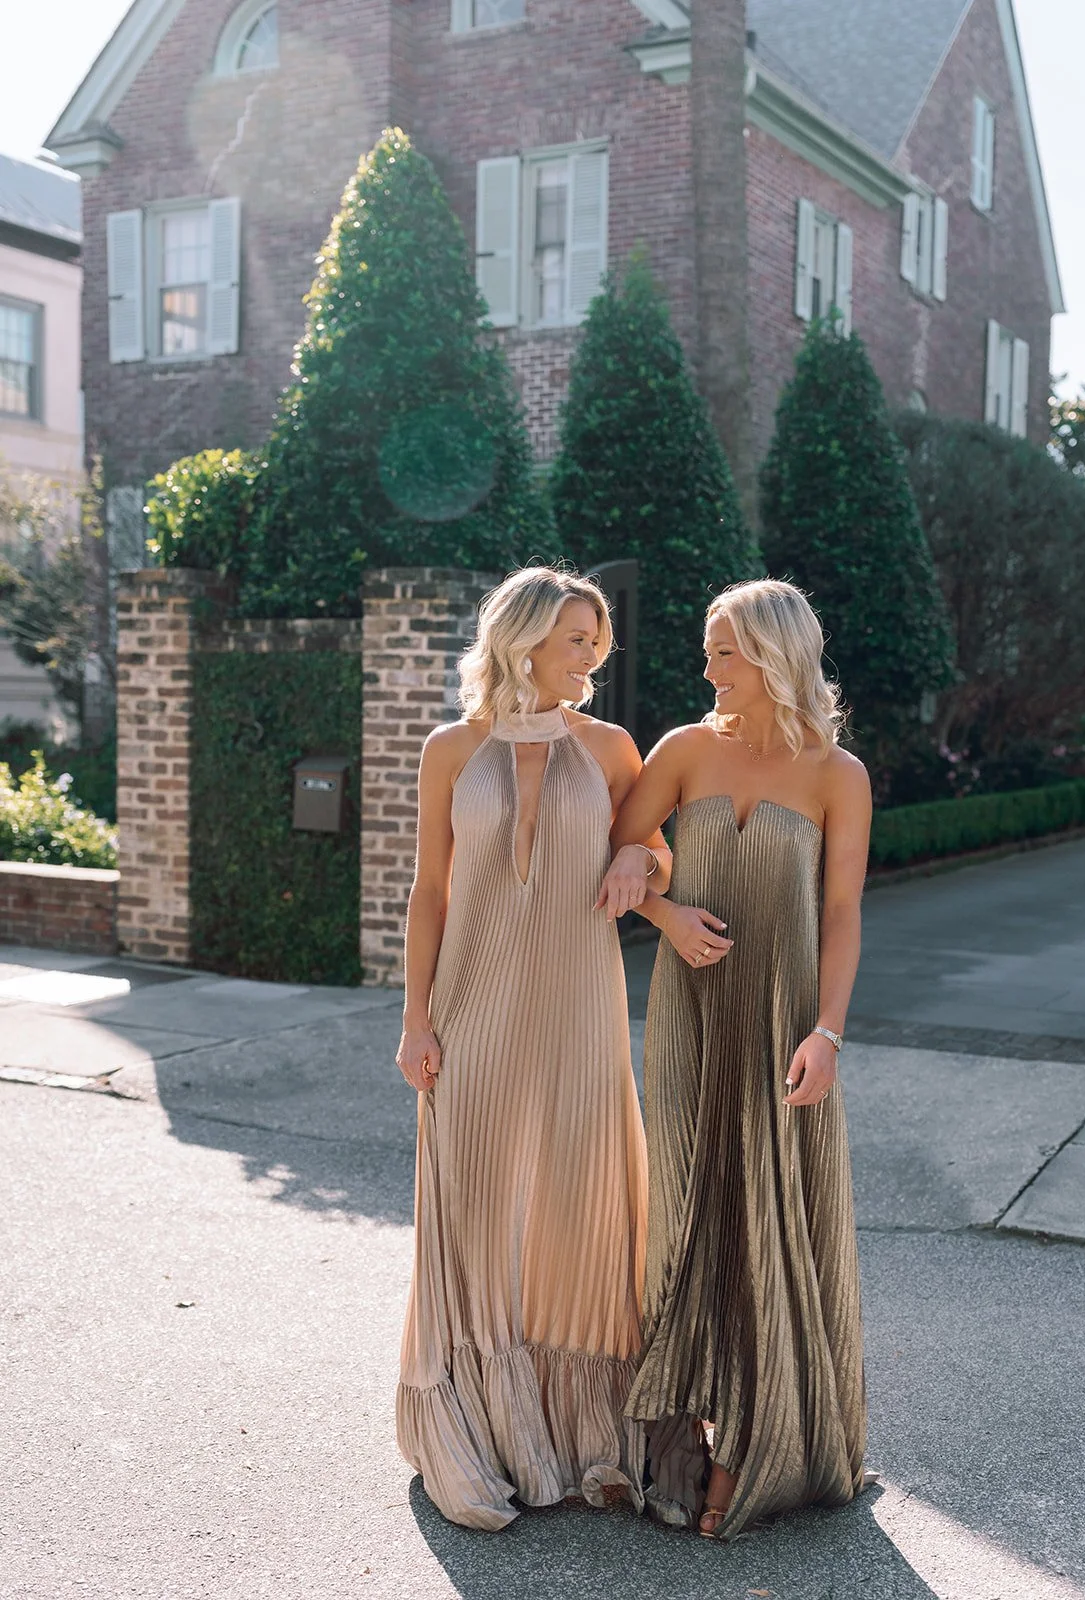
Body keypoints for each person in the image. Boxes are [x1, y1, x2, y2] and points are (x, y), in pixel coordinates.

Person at [394, 566, 670, 1531]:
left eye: (597, 639)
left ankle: (588, 1432)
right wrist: (414, 1017)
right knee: (466, 1202)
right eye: (573, 637)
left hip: (581, 1010)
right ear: (520, 640)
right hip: (469, 1007)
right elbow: (429, 891)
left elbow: (652, 843)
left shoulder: (610, 746)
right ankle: (472, 1434)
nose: (591, 654)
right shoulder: (448, 748)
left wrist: (642, 856)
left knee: (578, 1202)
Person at [599, 578, 872, 1540]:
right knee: (684, 1219)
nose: (707, 666)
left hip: (786, 1025)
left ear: (771, 656)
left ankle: (752, 1451)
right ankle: (674, 1444)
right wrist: (664, 912)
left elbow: (841, 915)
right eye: (710, 650)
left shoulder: (838, 773)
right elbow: (620, 858)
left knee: (767, 1228)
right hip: (689, 1018)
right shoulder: (681, 750)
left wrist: (827, 1032)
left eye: (722, 650)